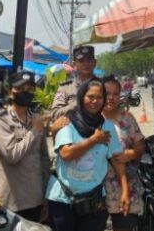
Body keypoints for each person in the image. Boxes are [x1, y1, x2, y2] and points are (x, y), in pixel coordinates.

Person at [46, 78, 130, 231]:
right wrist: (93, 140)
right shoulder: (67, 122)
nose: (95, 101)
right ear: (81, 97)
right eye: (90, 96)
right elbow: (66, 154)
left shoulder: (107, 127)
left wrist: (125, 190)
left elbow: (117, 160)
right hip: (63, 199)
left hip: (93, 200)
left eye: (99, 97)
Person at [0, 70, 50, 221]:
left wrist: (45, 196)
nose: (26, 92)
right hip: (11, 202)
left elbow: (44, 159)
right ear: (10, 92)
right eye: (20, 88)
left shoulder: (35, 118)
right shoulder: (1, 120)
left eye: (30, 89)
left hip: (35, 199)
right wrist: (34, 131)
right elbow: (12, 155)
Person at [101, 76, 146, 231]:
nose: (111, 98)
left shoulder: (127, 118)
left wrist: (132, 153)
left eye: (115, 93)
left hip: (126, 187)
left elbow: (140, 145)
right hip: (97, 191)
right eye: (107, 93)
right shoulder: (91, 119)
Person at [50, 45, 98, 134]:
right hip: (72, 137)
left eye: (89, 60)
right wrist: (77, 104)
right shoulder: (65, 88)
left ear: (94, 62)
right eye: (81, 60)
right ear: (74, 64)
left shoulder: (103, 87)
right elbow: (55, 114)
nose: (86, 63)